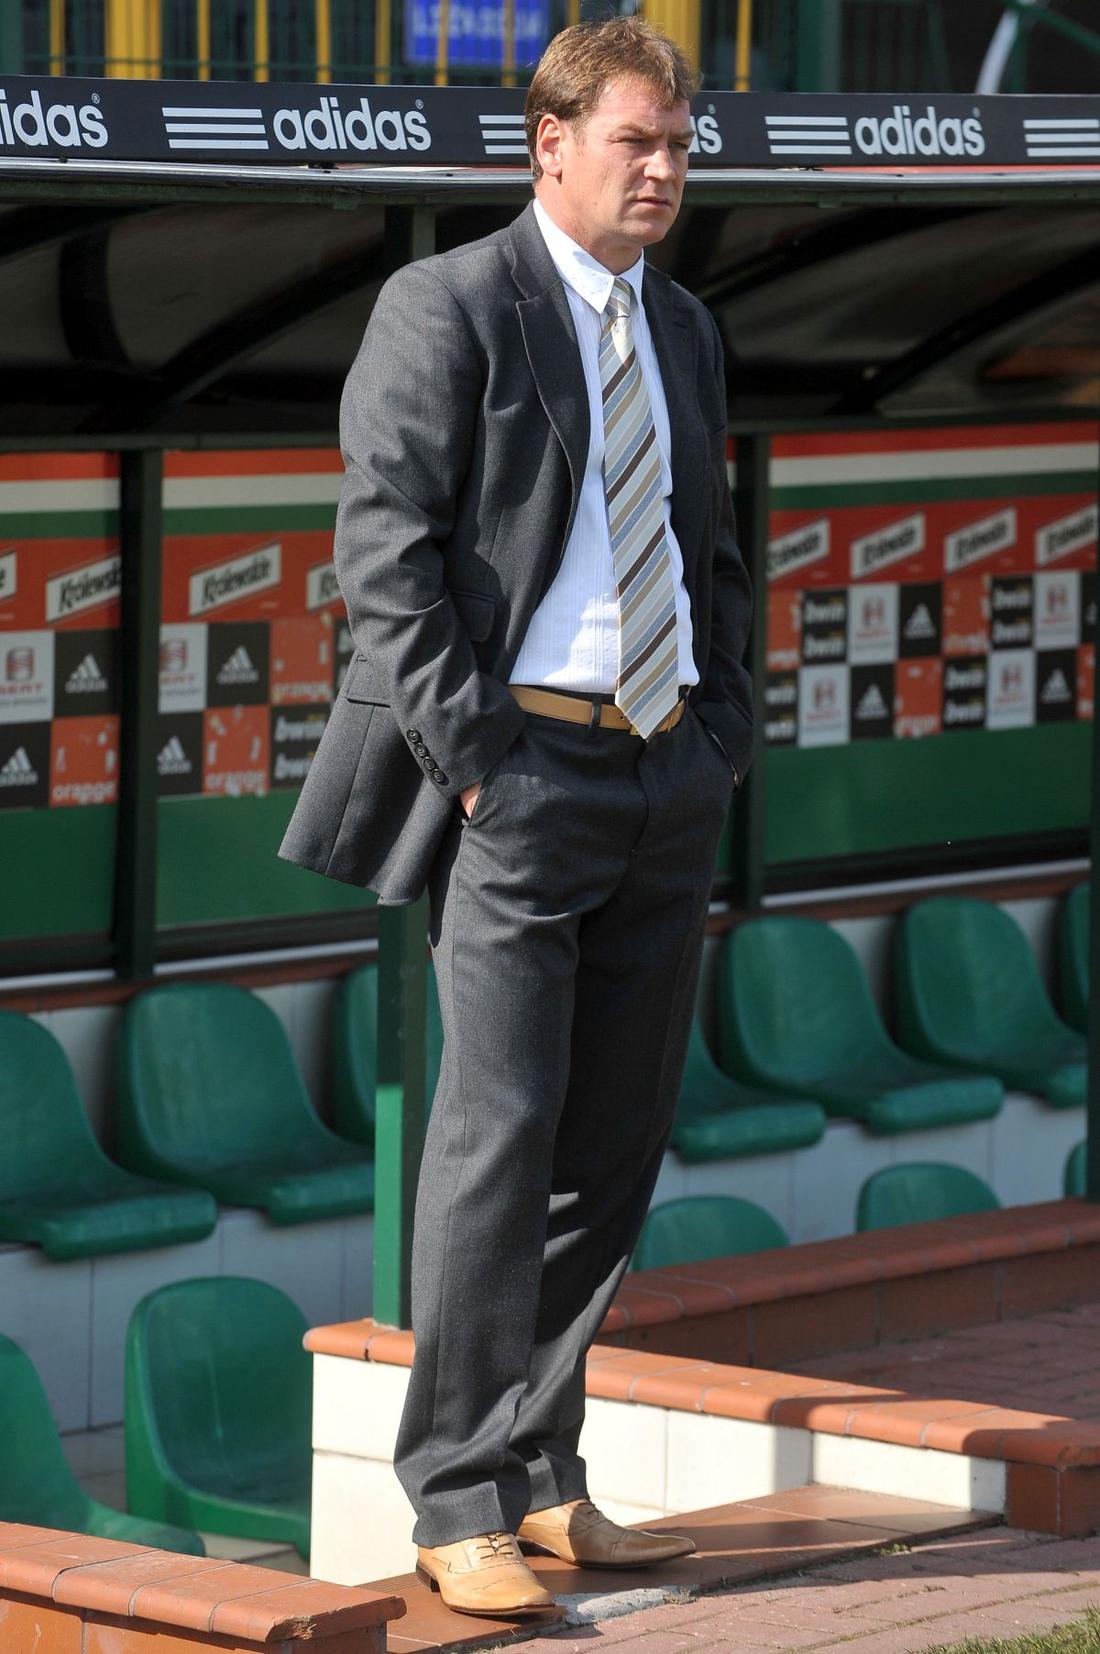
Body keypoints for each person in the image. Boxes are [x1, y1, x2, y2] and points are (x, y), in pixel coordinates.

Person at [280, 15, 754, 1621]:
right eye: (636, 142)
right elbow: (384, 553)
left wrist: (718, 735)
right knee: (495, 1137)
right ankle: (458, 1494)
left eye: (680, 146)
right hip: (522, 776)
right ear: (549, 145)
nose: (664, 170)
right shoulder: (452, 304)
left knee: (611, 1143)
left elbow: (709, 547)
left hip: (664, 770)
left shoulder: (682, 324)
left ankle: (545, 1472)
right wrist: (481, 758)